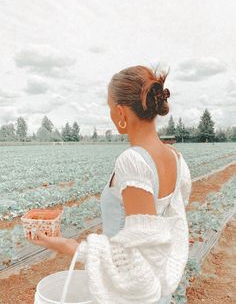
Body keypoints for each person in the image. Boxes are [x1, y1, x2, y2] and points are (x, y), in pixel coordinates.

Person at [28, 65, 192, 304]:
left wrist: (70, 247)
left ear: (120, 111)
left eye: (109, 107)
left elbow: (136, 255)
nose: (110, 114)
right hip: (157, 290)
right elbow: (159, 231)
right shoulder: (176, 158)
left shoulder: (133, 161)